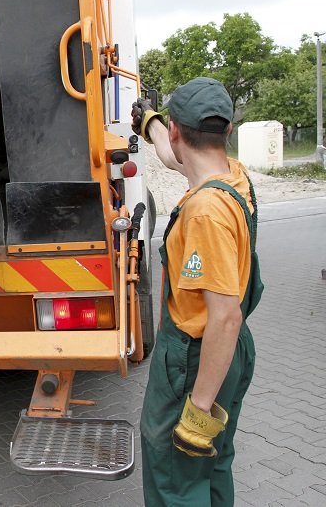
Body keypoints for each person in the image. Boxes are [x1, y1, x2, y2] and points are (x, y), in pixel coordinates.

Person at [131, 77, 263, 506]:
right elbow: (177, 159)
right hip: (231, 354)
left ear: (178, 130)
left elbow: (225, 316)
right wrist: (149, 122)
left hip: (196, 356)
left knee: (176, 475)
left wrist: (199, 408)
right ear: (226, 131)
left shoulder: (206, 211)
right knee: (213, 463)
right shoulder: (233, 177)